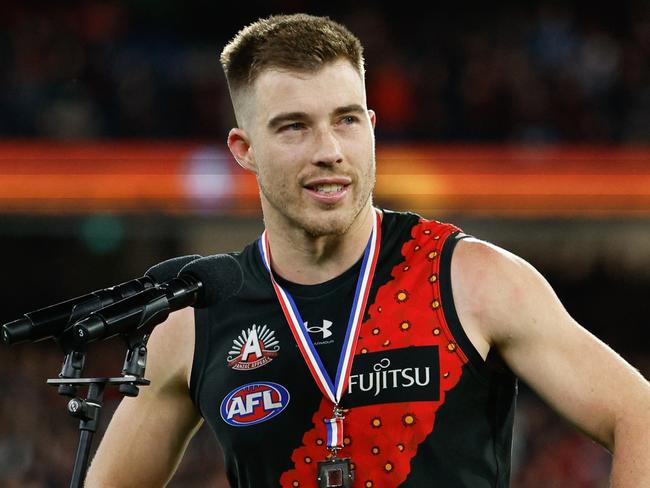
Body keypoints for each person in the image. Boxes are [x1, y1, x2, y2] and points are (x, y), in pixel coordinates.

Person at [86, 13, 650, 487]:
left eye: (347, 120)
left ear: (373, 127)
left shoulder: (472, 280)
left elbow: (639, 415)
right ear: (244, 148)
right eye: (293, 128)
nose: (329, 150)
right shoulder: (193, 321)